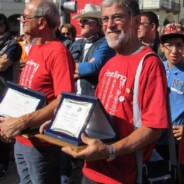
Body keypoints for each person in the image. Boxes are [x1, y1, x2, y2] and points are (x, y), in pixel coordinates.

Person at [56, 0, 169, 183]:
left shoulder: (149, 63)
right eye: (105, 19)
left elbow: (154, 128)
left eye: (117, 17)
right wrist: (59, 125)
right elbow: (96, 114)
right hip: (91, 168)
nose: (109, 25)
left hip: (123, 176)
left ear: (136, 21)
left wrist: (110, 151)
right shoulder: (109, 63)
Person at [0, 1, 75, 184]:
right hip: (22, 139)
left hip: (42, 144)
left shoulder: (58, 52)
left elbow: (64, 99)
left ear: (41, 23)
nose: (22, 20)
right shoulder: (34, 47)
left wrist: (23, 121)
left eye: (26, 17)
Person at [156, 23, 184, 183]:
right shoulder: (157, 67)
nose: (174, 50)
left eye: (179, 45)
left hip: (178, 143)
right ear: (162, 46)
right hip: (155, 140)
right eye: (169, 45)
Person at [70, 3, 115, 96]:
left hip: (92, 98)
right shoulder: (76, 44)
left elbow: (92, 67)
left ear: (98, 24)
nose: (81, 24)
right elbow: (62, 69)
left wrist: (70, 67)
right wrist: (83, 70)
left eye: (85, 20)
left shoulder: (106, 43)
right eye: (80, 21)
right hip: (71, 95)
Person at [0, 13, 22, 179]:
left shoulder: (13, 45)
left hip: (4, 95)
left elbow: (2, 65)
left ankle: (3, 167)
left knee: (2, 133)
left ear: (3, 26)